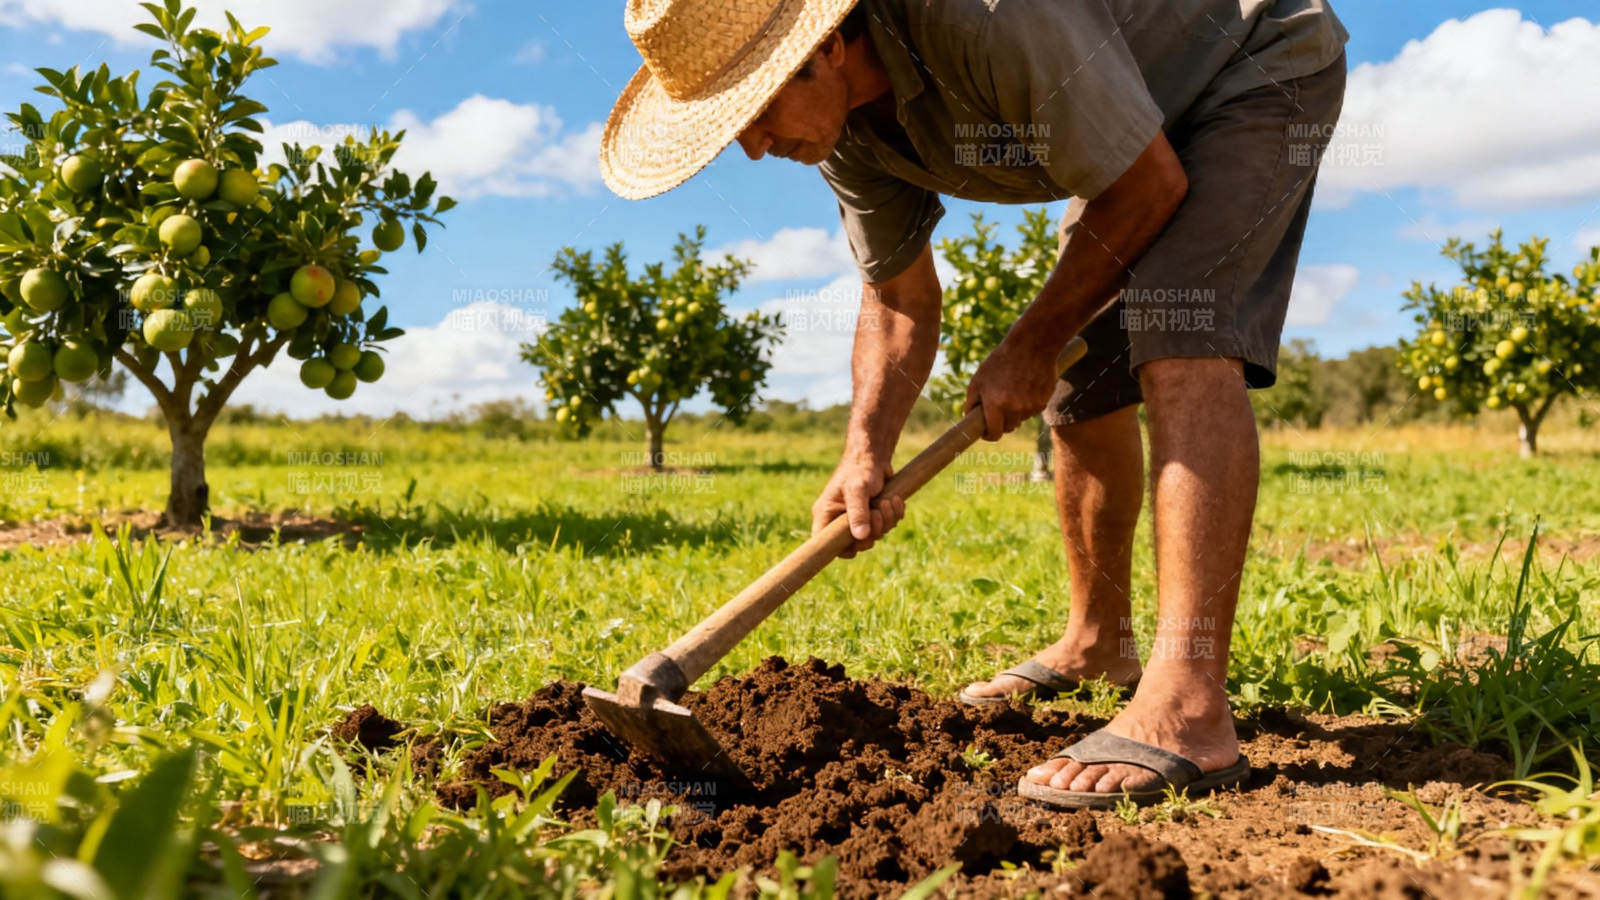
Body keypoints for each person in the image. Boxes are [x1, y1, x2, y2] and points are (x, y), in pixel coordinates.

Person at [601, 0, 1348, 807]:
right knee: (1083, 379)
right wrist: (865, 451)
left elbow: (1148, 186)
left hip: (1249, 59)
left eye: (754, 109)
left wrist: (1027, 343)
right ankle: (1099, 643)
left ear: (825, 47)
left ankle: (1188, 709)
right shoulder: (844, 132)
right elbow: (898, 302)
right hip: (1134, 115)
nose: (751, 147)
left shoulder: (988, 18)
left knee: (1180, 328)